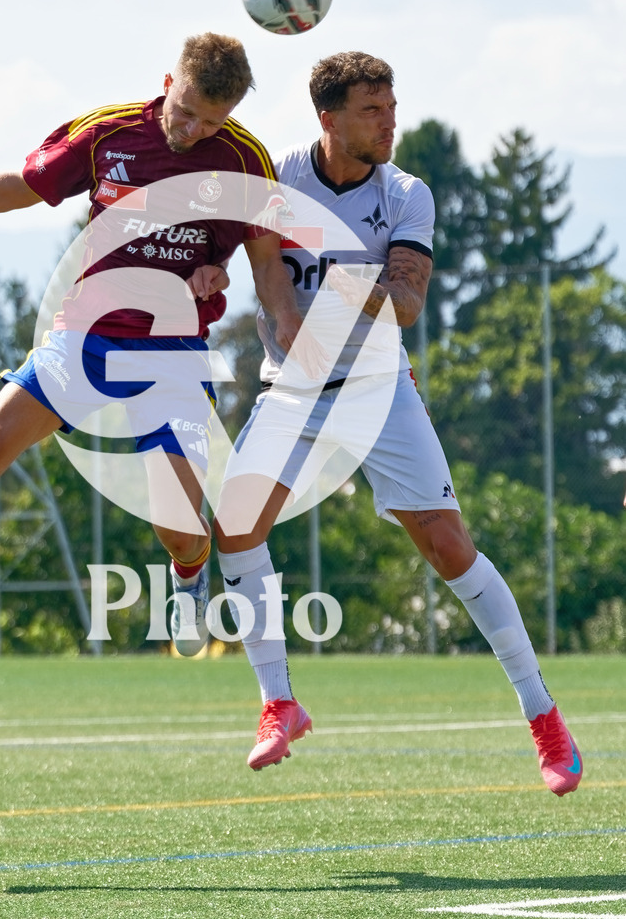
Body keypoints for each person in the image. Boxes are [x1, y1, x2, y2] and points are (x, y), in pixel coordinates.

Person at [0, 33, 305, 653]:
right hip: (84, 335)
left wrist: (280, 325)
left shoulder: (245, 161)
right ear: (167, 82)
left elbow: (267, 261)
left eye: (212, 120)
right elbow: (25, 184)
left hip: (173, 353)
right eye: (185, 110)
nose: (192, 128)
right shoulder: (107, 134)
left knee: (180, 531)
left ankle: (189, 580)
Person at [211, 51, 583, 796]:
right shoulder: (276, 180)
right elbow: (253, 272)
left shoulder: (406, 192)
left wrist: (329, 278)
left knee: (448, 548)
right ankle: (278, 702)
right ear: (329, 119)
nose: (389, 124)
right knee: (236, 524)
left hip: (380, 388)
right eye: (371, 112)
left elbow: (406, 303)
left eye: (391, 108)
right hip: (294, 390)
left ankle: (542, 716)